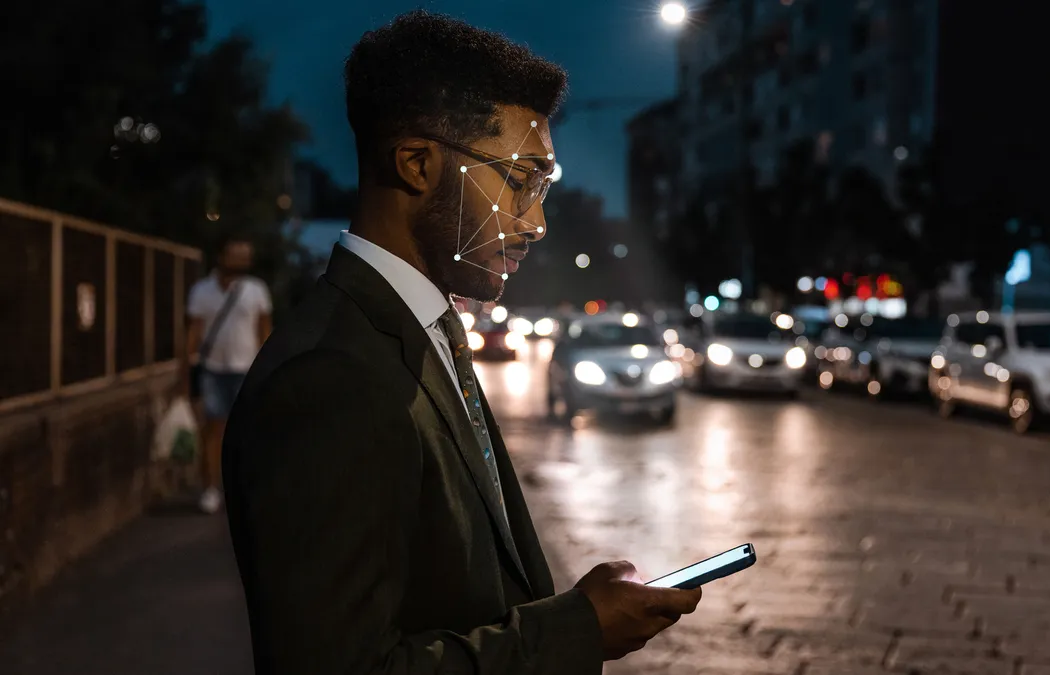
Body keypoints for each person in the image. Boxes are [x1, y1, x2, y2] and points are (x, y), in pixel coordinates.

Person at [221, 10, 701, 675]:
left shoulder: (423, 328)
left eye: (543, 189)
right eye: (519, 183)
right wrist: (576, 628)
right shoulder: (330, 377)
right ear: (417, 164)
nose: (535, 224)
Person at [183, 234, 272, 514]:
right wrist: (185, 370)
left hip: (247, 369)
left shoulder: (257, 290)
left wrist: (267, 367)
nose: (243, 260)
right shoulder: (201, 290)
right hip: (213, 369)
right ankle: (210, 489)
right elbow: (193, 332)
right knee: (212, 431)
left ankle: (246, 487)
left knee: (249, 431)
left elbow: (264, 330)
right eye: (237, 254)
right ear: (221, 256)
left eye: (246, 255)